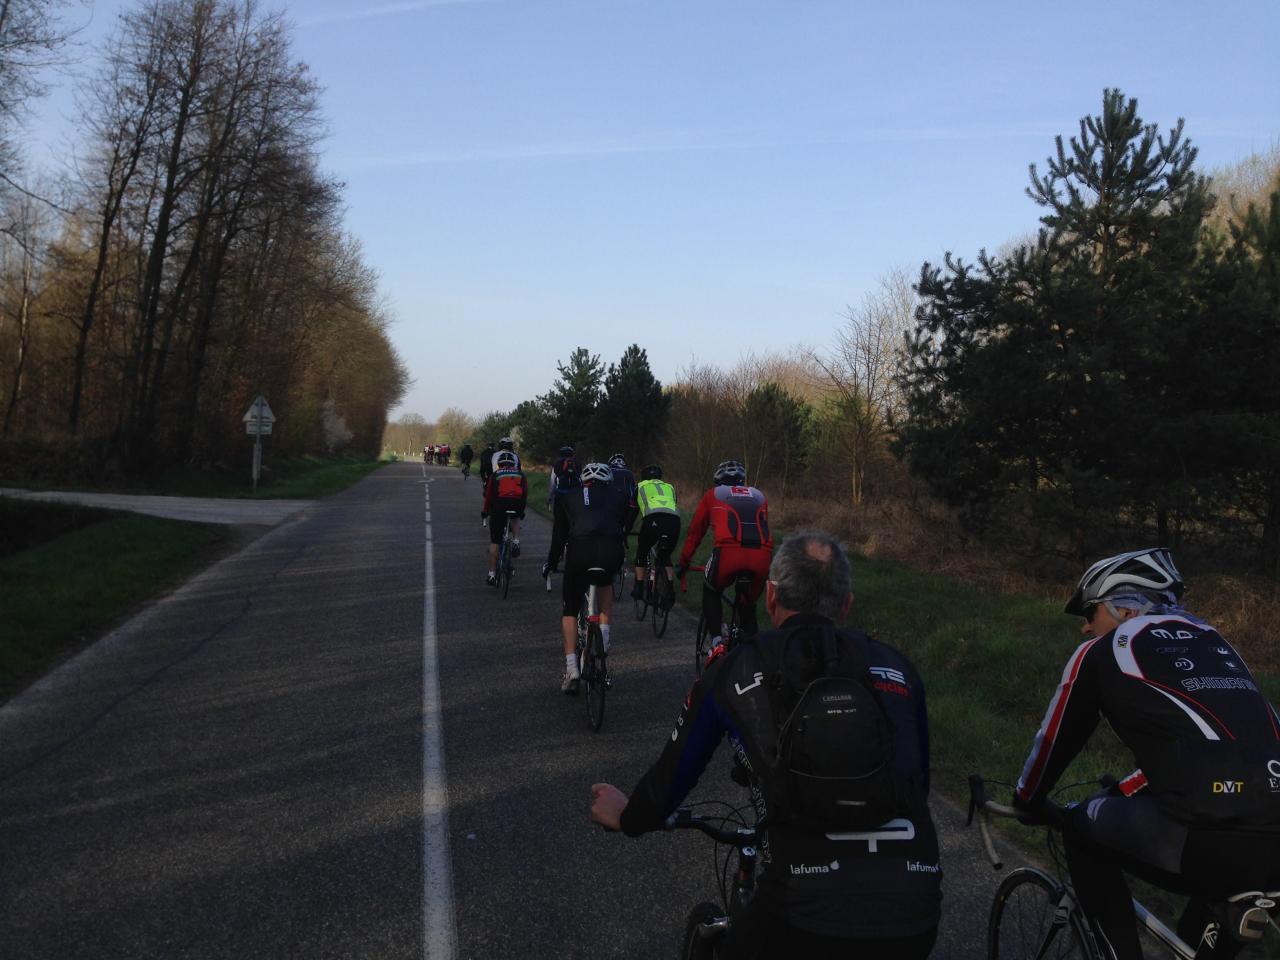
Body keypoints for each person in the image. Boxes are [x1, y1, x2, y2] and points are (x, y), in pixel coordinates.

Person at [591, 531, 941, 959]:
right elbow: (918, 784)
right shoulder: (898, 668)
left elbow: (673, 775)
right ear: (847, 605)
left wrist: (629, 816)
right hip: (914, 913)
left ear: (771, 597)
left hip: (801, 914)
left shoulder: (738, 666)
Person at [1014, 547, 1280, 960]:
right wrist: (1122, 791)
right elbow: (1211, 750)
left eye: (1091, 611)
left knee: (1079, 829)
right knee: (1200, 927)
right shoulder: (1216, 644)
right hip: (1272, 838)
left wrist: (1027, 800)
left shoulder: (1105, 650)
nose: (1085, 627)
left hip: (1206, 836)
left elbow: (1053, 743)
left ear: (1124, 610)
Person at [676, 459, 773, 645]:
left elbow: (695, 533)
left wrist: (684, 562)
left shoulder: (712, 494)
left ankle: (716, 642)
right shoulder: (759, 496)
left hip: (728, 554)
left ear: (718, 481)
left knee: (711, 590)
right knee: (748, 607)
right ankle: (753, 654)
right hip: (762, 556)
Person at [559, 462, 628, 693]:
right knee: (606, 580)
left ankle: (572, 669)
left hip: (580, 551)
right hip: (611, 552)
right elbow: (623, 522)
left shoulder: (571, 495)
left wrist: (552, 561)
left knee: (570, 608)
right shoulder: (618, 495)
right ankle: (604, 638)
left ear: (584, 481)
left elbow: (561, 532)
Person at [630, 464, 680, 607]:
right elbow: (672, 504)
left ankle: (639, 587)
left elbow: (632, 513)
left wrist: (627, 529)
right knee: (665, 557)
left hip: (653, 520)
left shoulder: (640, 487)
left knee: (642, 551)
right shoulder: (669, 487)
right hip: (674, 522)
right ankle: (670, 591)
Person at [481, 450, 527, 585]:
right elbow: (524, 494)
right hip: (516, 505)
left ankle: (492, 574)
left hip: (499, 507)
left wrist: (485, 511)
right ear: (513, 464)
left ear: (499, 464)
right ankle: (516, 541)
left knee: (495, 542)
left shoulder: (495, 475)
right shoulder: (520, 474)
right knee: (515, 517)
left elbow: (489, 496)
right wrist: (522, 510)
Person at [541, 445, 578, 580]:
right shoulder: (578, 465)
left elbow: (553, 485)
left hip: (561, 501)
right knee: (574, 530)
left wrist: (549, 499)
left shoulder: (557, 465)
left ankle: (552, 564)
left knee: (558, 533)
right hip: (575, 501)